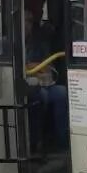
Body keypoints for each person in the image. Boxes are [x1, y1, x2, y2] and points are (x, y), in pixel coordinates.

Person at [24, 9, 68, 151]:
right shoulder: (8, 43)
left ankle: (63, 143)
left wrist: (37, 68)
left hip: (44, 83)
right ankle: (36, 142)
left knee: (62, 92)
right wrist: (33, 68)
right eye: (24, 21)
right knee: (40, 95)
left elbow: (50, 68)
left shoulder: (38, 43)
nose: (26, 25)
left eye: (29, 21)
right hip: (24, 87)